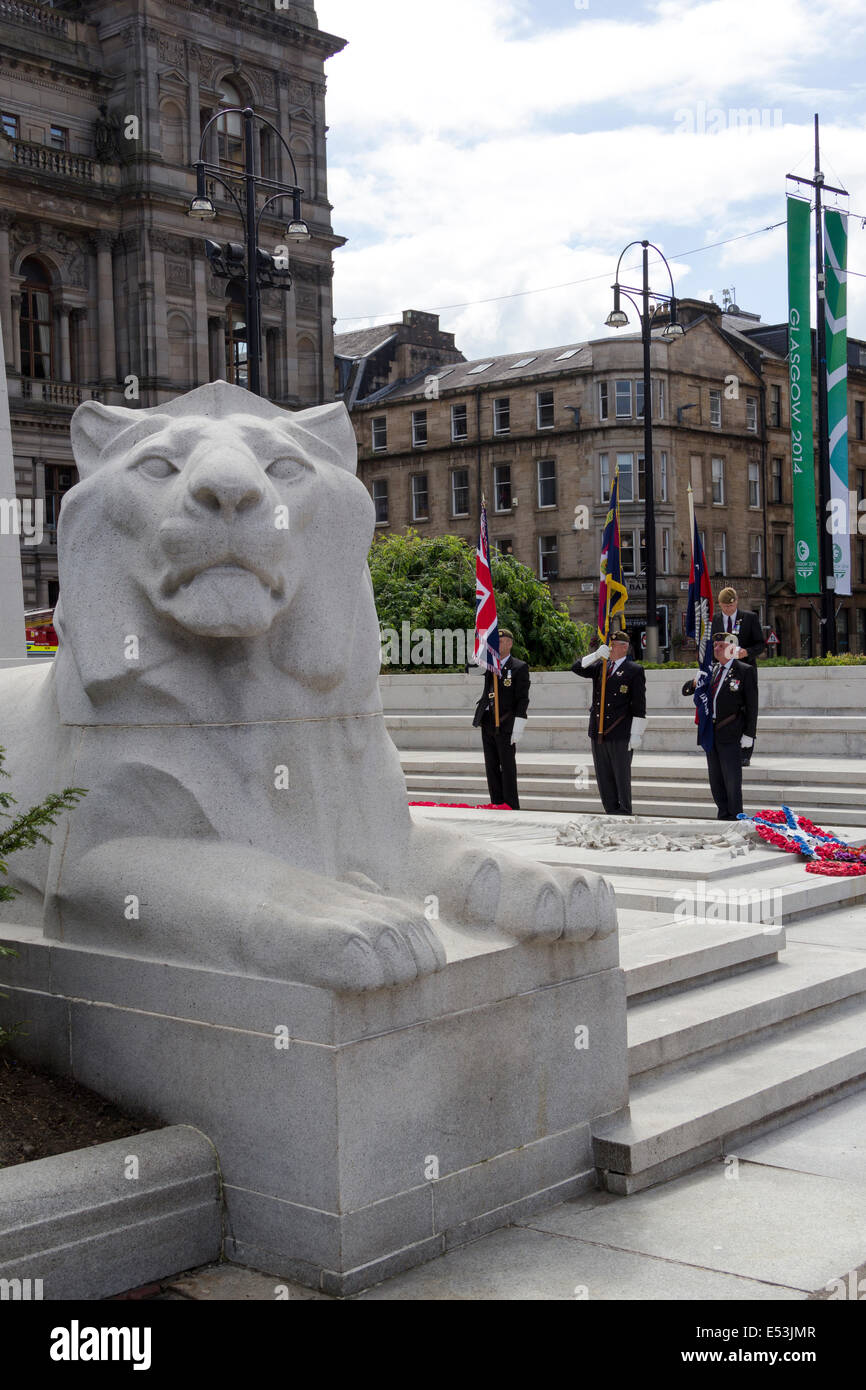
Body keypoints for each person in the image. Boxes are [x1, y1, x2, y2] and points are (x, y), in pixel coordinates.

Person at [682, 632, 758, 820]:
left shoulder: (744, 670)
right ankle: (723, 814)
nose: (716, 649)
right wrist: (694, 681)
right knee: (715, 779)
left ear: (732, 649)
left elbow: (752, 705)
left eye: (721, 646)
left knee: (732, 779)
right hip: (711, 732)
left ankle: (735, 816)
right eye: (715, 646)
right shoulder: (712, 670)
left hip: (731, 731)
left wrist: (749, 734)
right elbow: (686, 690)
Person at [572, 627, 647, 815]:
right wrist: (596, 655)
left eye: (613, 646)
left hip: (620, 731)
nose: (610, 649)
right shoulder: (600, 666)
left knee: (621, 775)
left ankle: (624, 809)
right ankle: (610, 809)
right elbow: (576, 667)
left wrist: (636, 733)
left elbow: (639, 704)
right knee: (603, 775)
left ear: (624, 648)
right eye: (609, 646)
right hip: (598, 730)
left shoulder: (634, 670)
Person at [472, 628, 530, 809]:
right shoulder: (489, 665)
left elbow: (522, 698)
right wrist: (480, 650)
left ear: (510, 643)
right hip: (488, 719)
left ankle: (511, 805)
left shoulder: (519, 667)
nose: (498, 644)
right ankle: (496, 802)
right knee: (491, 766)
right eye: (496, 641)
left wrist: (519, 723)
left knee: (507, 767)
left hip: (506, 722)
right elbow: (469, 669)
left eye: (502, 641)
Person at [711, 587, 765, 666]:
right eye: (725, 606)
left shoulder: (750, 618)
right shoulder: (713, 620)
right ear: (719, 603)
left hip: (744, 667)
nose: (728, 609)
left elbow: (760, 644)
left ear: (736, 601)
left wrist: (747, 652)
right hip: (720, 668)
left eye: (731, 605)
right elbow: (708, 645)